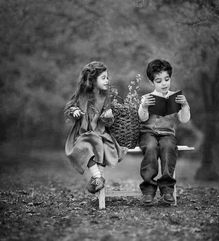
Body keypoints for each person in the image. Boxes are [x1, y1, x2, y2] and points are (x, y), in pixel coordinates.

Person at [64, 61, 127, 194]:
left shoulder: (107, 97)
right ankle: (98, 177)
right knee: (84, 146)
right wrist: (74, 111)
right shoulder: (81, 95)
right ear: (92, 80)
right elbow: (70, 107)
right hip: (82, 134)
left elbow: (110, 121)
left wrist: (108, 116)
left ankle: (96, 178)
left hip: (100, 133)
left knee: (99, 146)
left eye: (107, 77)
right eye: (103, 78)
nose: (107, 81)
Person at [138, 59, 191, 204]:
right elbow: (142, 118)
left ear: (170, 78)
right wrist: (144, 107)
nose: (164, 83)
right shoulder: (147, 98)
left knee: (168, 148)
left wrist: (185, 106)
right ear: (152, 82)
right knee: (150, 147)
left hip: (167, 134)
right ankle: (148, 190)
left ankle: (167, 189)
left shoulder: (176, 98)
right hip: (148, 133)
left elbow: (184, 119)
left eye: (167, 79)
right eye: (159, 81)